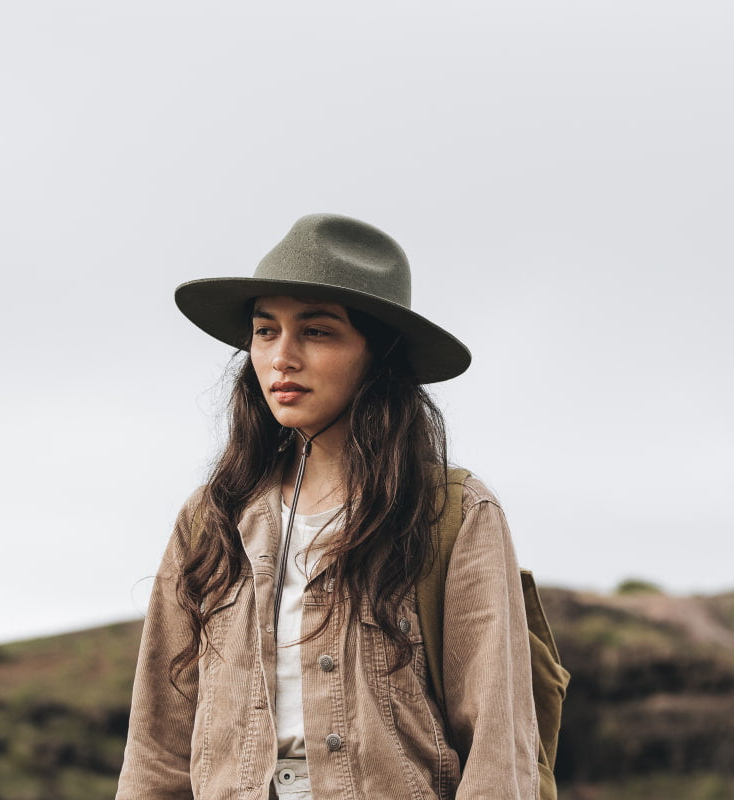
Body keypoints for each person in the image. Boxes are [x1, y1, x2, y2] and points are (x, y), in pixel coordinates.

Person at [116, 214, 539, 800]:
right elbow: (157, 748)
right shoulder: (213, 518)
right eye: (265, 331)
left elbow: (498, 753)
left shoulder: (453, 514)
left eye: (316, 332)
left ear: (379, 353)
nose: (282, 357)